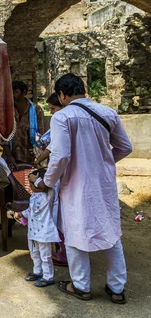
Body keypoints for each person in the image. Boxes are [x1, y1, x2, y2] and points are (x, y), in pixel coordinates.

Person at [29, 73, 133, 304]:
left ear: (63, 95)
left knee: (76, 233)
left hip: (75, 184)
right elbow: (125, 147)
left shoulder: (62, 117)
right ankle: (116, 288)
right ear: (82, 90)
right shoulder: (108, 112)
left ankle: (81, 286)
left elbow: (61, 155)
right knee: (111, 233)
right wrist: (103, 162)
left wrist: (47, 181)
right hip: (103, 183)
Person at [33, 93, 68, 268]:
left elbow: (56, 153)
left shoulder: (62, 123)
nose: (53, 113)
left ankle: (65, 254)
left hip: (62, 175)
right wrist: (39, 160)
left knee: (59, 215)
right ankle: (63, 251)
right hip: (61, 175)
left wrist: (44, 182)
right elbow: (50, 146)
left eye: (53, 109)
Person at [7, 174, 60, 288]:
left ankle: (48, 276)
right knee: (34, 253)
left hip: (44, 233)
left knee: (45, 256)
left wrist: (37, 180)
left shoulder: (48, 194)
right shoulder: (33, 197)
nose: (31, 186)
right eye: (30, 184)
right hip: (33, 232)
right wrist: (18, 213)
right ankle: (37, 271)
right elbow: (30, 211)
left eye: (33, 183)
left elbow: (48, 187)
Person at [2, 81, 45, 168]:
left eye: (16, 92)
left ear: (24, 92)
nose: (12, 95)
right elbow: (3, 136)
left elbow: (40, 135)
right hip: (11, 157)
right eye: (11, 92)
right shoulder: (7, 111)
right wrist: (9, 157)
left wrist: (37, 153)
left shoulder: (36, 110)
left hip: (30, 157)